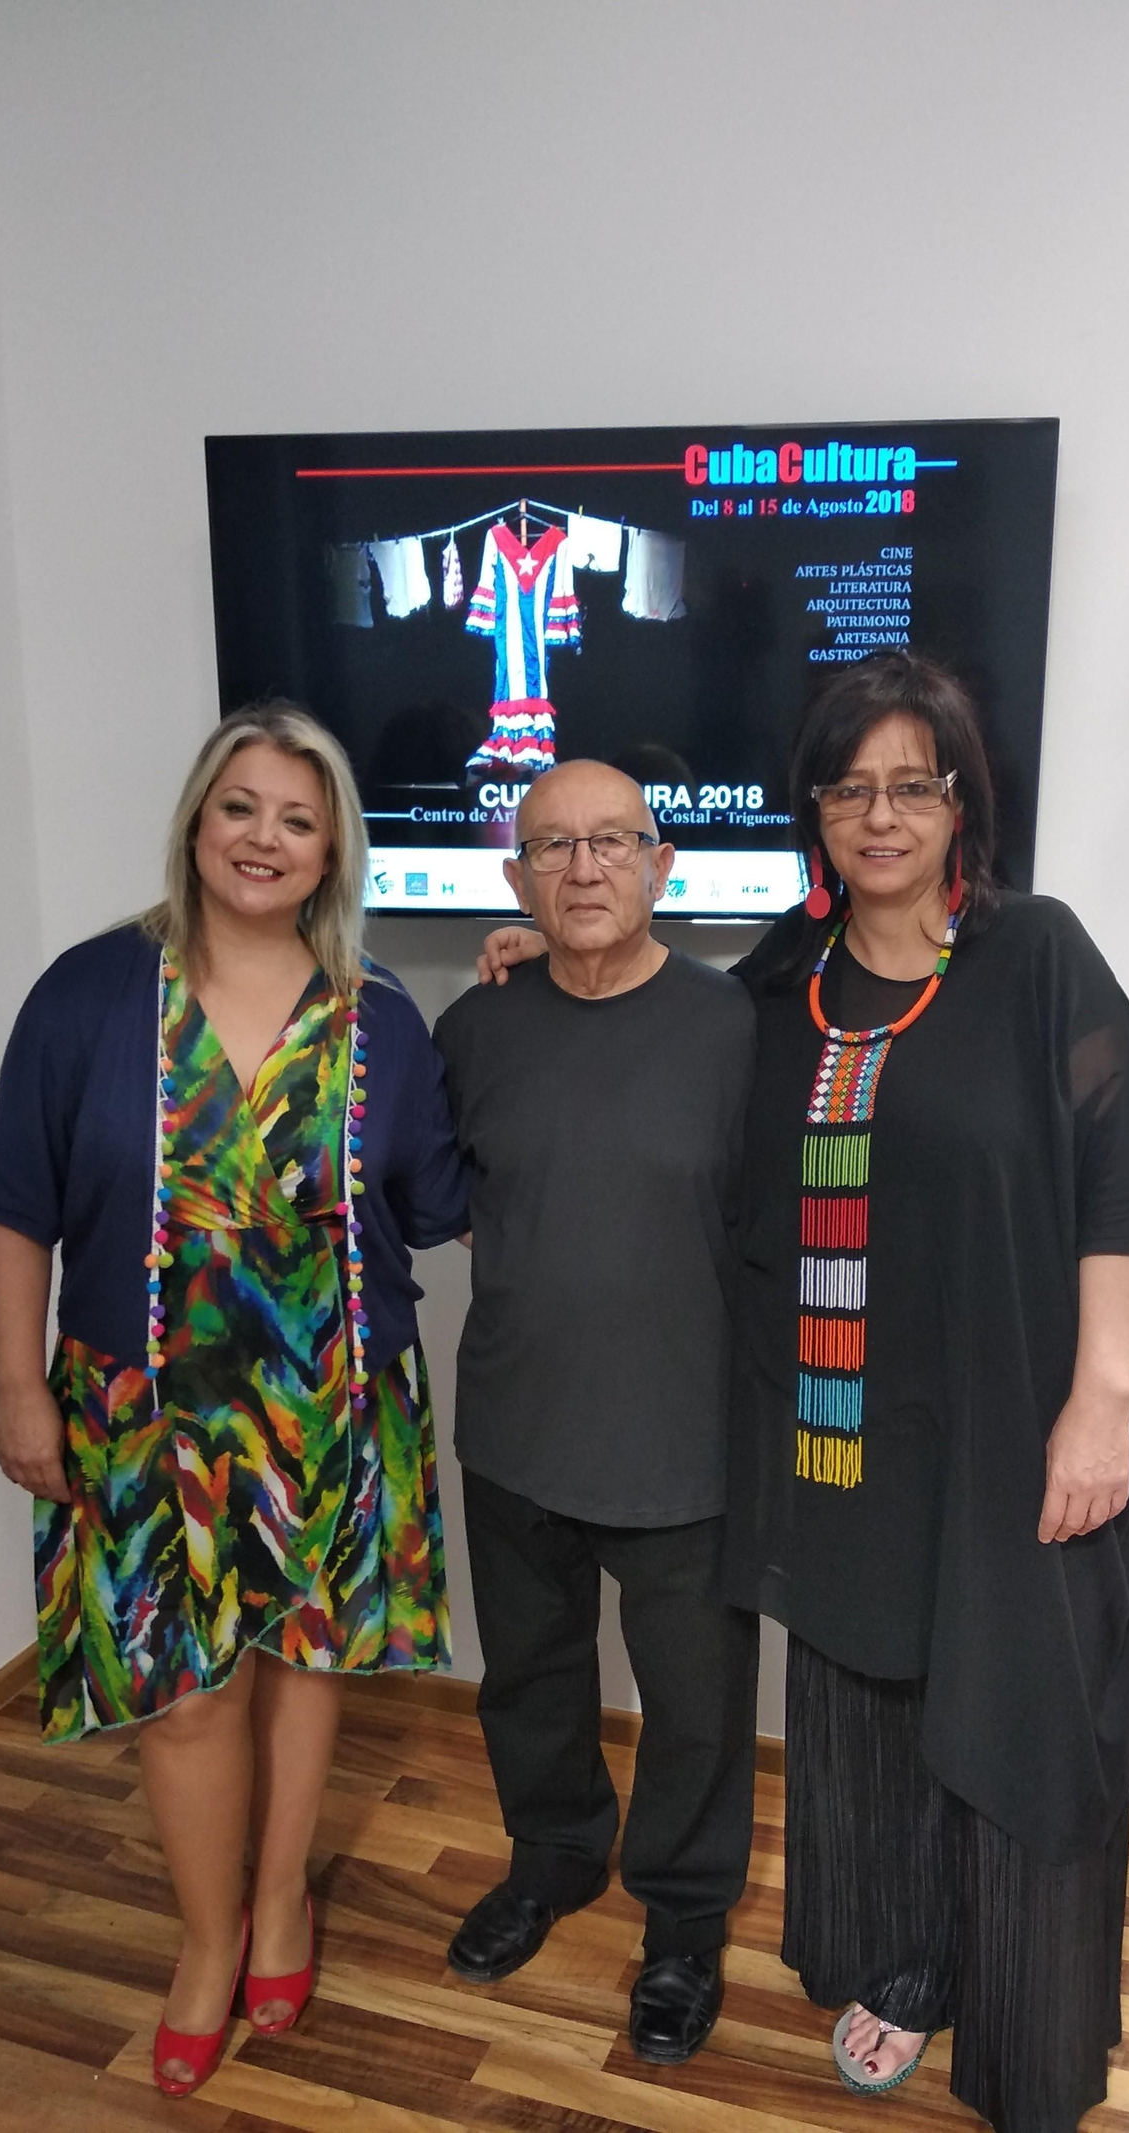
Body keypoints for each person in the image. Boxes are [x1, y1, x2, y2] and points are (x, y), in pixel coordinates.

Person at [477, 654, 1129, 2131]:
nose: (881, 813)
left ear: (962, 798)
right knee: (863, 1713)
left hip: (1019, 1424)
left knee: (1021, 1700)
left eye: (913, 782)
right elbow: (639, 1040)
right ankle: (899, 1966)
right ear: (814, 812)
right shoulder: (774, 990)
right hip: (844, 1436)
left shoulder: (1038, 958)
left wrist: (1101, 1396)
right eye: (850, 787)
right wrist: (541, 958)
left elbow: (1121, 1176)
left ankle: (1022, 2006)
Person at [0, 703, 468, 2099]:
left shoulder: (382, 1016)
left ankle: (285, 1900)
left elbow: (433, 1201)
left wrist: (524, 995)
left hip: (332, 1400)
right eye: (241, 806)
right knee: (180, 1698)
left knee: (305, 1664)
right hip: (136, 1408)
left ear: (331, 851)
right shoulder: (89, 992)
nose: (265, 837)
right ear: (198, 818)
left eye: (298, 818)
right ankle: (204, 1941)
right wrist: (18, 1388)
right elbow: (16, 1206)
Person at [433, 760, 759, 2066]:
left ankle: (681, 1924)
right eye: (552, 848)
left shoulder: (738, 1026)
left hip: (684, 1437)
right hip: (516, 1426)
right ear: (516, 880)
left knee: (695, 1703)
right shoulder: (477, 1024)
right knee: (530, 1679)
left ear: (660, 865)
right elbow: (422, 1187)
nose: (581, 869)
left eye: (609, 842)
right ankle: (554, 1857)